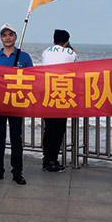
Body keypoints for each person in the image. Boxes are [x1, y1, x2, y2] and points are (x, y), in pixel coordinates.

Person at [0, 24, 32, 185]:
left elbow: (32, 78)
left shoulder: (24, 57)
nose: (7, 38)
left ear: (16, 37)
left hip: (16, 104)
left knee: (16, 140)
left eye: (10, 34)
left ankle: (17, 172)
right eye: (4, 35)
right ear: (1, 38)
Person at [40, 29, 77, 173]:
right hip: (62, 94)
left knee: (48, 129)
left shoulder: (45, 52)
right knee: (58, 129)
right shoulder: (71, 53)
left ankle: (46, 159)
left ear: (53, 40)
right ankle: (52, 160)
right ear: (67, 41)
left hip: (47, 95)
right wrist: (71, 50)